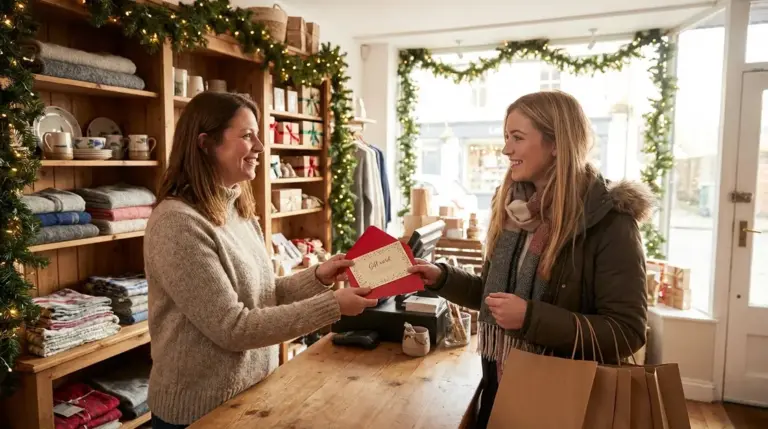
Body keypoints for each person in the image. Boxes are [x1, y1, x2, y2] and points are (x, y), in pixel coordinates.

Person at [408, 91, 651, 428]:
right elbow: (495, 299)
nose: (506, 149)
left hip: (568, 405)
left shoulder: (610, 221)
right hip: (502, 387)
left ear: (556, 144)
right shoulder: (513, 210)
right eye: (506, 137)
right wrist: (442, 277)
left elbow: (627, 331)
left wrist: (530, 317)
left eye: (517, 138)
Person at [144, 92, 378, 428]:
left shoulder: (237, 210)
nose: (260, 147)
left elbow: (264, 294)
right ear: (205, 144)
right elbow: (233, 327)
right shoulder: (177, 223)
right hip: (199, 413)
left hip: (251, 398)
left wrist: (319, 277)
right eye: (247, 136)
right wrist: (332, 306)